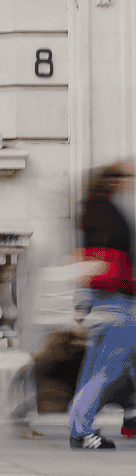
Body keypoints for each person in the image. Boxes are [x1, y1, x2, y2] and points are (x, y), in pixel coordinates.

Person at [68, 161, 136, 449]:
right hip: (115, 298)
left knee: (99, 367)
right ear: (115, 181)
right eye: (127, 177)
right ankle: (81, 430)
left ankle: (86, 424)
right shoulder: (108, 212)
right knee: (109, 369)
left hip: (104, 298)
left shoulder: (95, 209)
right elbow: (103, 261)